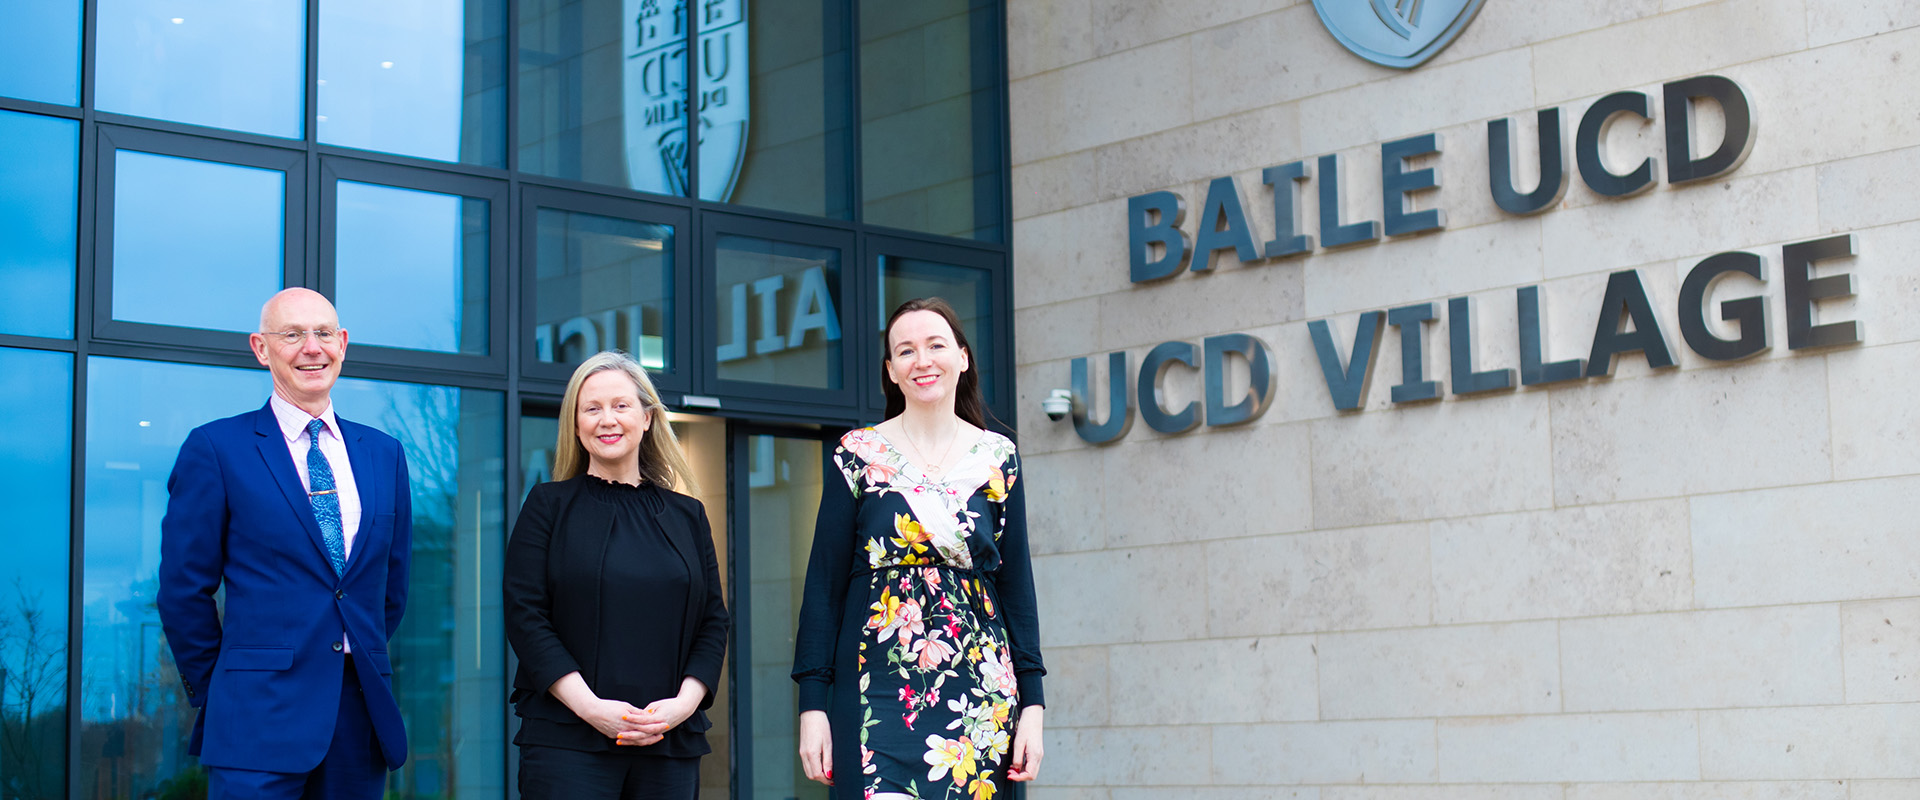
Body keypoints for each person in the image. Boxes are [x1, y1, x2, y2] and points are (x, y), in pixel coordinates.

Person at [158, 288, 413, 800]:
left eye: (323, 334)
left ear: (342, 344)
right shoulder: (216, 449)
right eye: (292, 335)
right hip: (254, 720)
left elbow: (390, 588)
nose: (311, 348)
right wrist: (226, 690)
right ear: (261, 348)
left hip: (358, 722)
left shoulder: (384, 454)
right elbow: (183, 591)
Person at [793, 298, 1047, 799]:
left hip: (980, 690)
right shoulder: (858, 454)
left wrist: (1033, 707)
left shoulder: (998, 457)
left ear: (963, 357)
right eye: (905, 351)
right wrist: (812, 705)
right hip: (874, 685)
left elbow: (1017, 586)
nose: (922, 360)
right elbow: (823, 586)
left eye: (935, 345)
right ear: (891, 371)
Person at [503, 350, 730, 800]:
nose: (607, 419)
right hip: (567, 741)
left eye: (621, 406)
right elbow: (526, 616)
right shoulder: (548, 506)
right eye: (592, 408)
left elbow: (713, 621)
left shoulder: (689, 515)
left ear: (647, 418)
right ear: (576, 423)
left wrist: (681, 707)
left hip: (669, 741)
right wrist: (593, 710)